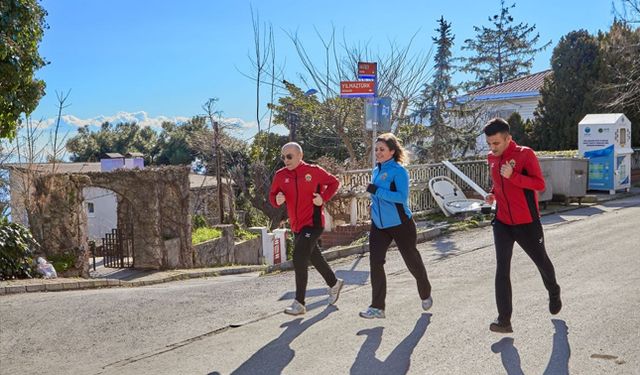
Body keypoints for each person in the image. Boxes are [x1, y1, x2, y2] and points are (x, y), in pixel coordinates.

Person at [483, 118, 562, 333]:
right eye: (489, 143)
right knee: (502, 269)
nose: (492, 148)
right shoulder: (491, 157)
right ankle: (504, 320)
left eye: (497, 143)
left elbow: (539, 184)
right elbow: (498, 183)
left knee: (541, 261)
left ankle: (554, 291)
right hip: (502, 222)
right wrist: (492, 194)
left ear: (508, 138)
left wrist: (514, 176)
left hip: (527, 222)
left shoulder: (525, 154)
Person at [359, 133, 433, 319]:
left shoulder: (399, 171)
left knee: (412, 261)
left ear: (392, 151)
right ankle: (377, 307)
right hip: (379, 225)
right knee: (375, 262)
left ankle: (425, 292)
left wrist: (376, 191)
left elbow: (401, 197)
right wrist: (373, 203)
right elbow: (379, 195)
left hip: (401, 224)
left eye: (382, 149)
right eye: (376, 149)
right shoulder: (376, 170)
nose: (378, 153)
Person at [269, 142, 344, 315]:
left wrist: (322, 198)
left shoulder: (314, 171)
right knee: (314, 257)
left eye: (289, 156)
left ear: (300, 156)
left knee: (299, 256)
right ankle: (334, 283)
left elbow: (334, 182)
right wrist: (276, 200)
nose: (285, 160)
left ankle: (299, 302)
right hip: (296, 225)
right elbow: (273, 196)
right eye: (283, 157)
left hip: (314, 222)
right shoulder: (280, 176)